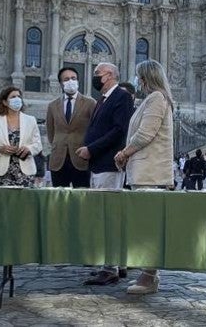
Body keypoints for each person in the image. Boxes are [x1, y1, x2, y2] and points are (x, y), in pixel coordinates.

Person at [113, 59, 176, 296]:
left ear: (147, 77)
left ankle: (149, 276)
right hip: (145, 170)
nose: (138, 81)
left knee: (148, 226)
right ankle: (149, 275)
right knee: (145, 225)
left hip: (150, 172)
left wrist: (124, 152)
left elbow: (145, 134)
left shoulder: (157, 98)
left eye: (140, 76)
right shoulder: (153, 99)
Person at [78, 62, 134, 286]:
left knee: (108, 217)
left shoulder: (121, 97)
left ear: (109, 75)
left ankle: (110, 267)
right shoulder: (104, 99)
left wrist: (91, 148)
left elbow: (118, 131)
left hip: (109, 164)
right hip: (98, 164)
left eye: (97, 73)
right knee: (106, 216)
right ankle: (116, 264)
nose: (94, 77)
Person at [45, 67, 95, 188]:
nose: (70, 81)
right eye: (66, 79)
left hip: (81, 158)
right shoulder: (53, 105)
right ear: (61, 83)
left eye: (73, 78)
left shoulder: (90, 103)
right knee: (59, 196)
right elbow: (51, 131)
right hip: (58, 159)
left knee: (82, 195)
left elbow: (94, 129)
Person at [0, 87, 43, 187]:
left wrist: (28, 149)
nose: (17, 99)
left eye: (19, 96)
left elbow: (38, 144)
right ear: (5, 102)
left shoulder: (31, 120)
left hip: (24, 172)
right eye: (13, 97)